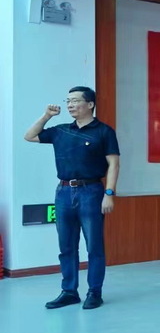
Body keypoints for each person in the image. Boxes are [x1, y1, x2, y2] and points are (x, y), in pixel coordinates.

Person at [24, 86, 120, 310]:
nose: (70, 105)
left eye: (75, 101)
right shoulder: (61, 131)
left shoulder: (104, 131)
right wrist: (47, 116)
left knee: (94, 246)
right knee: (66, 246)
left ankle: (94, 292)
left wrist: (109, 193)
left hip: (91, 191)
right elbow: (29, 136)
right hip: (64, 192)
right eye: (68, 101)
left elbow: (114, 164)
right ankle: (69, 291)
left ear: (90, 104)